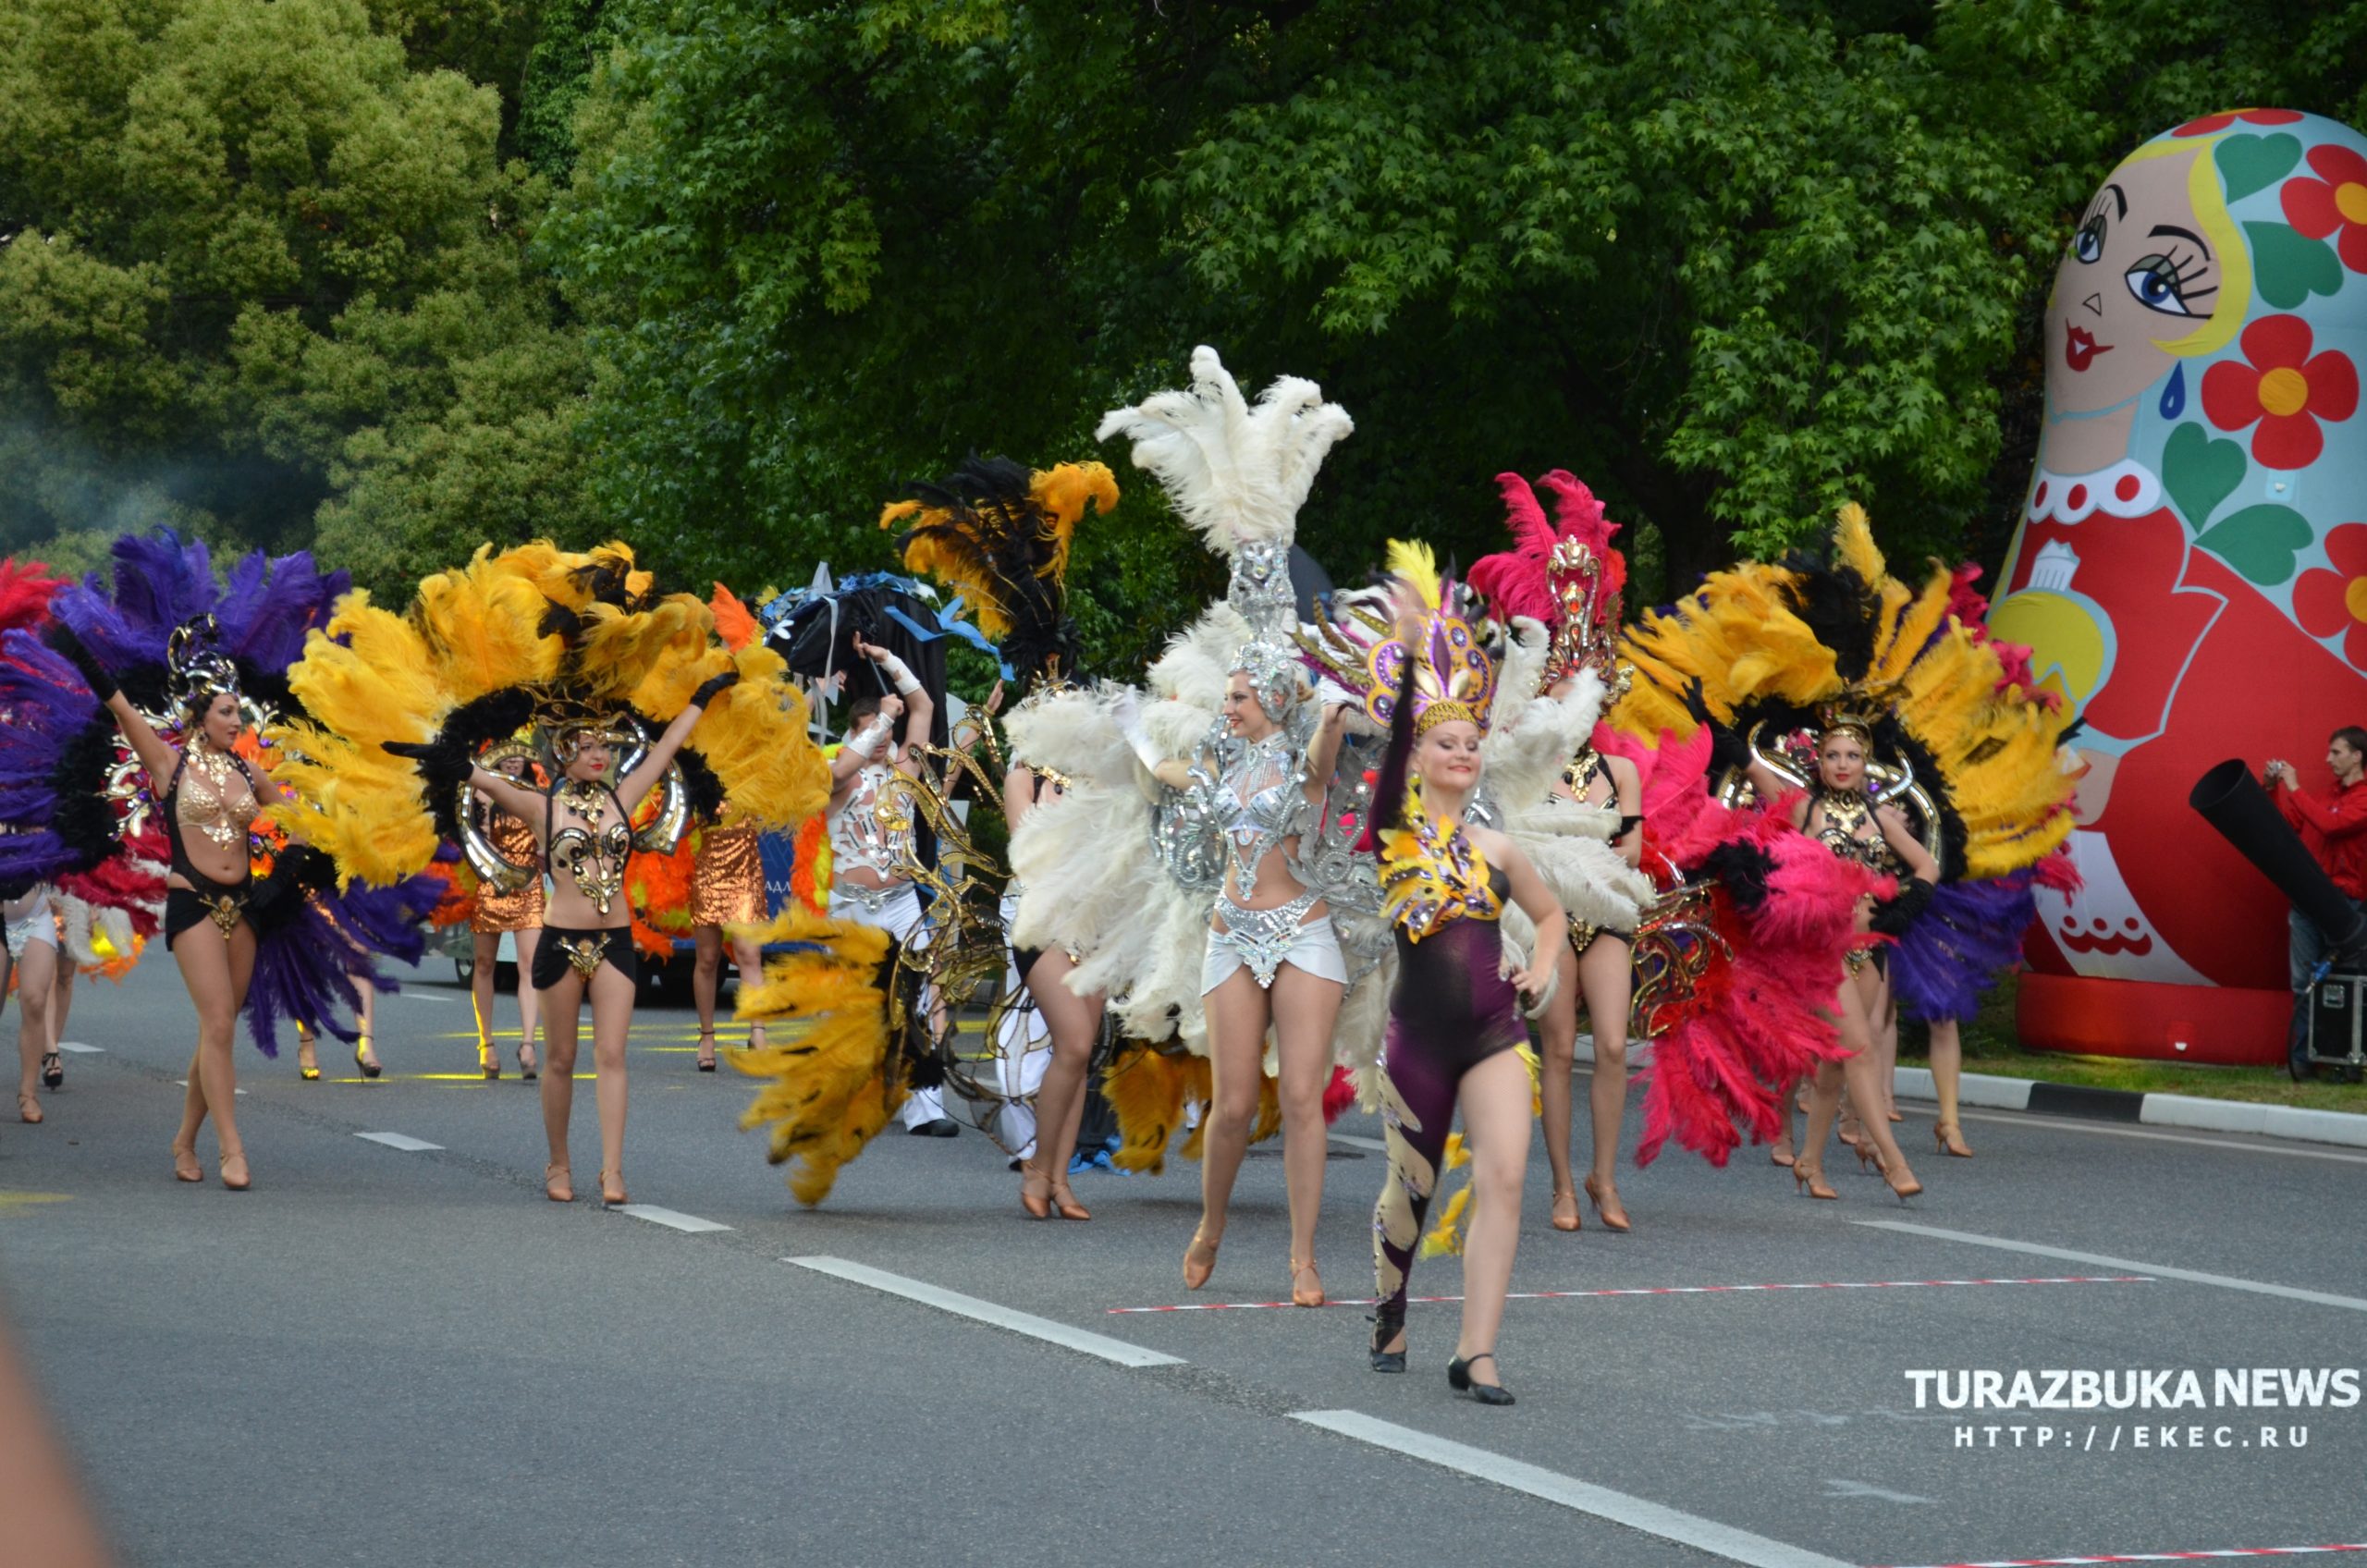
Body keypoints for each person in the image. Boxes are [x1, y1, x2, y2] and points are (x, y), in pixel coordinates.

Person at [1361, 559, 1565, 1406]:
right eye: (1447, 742)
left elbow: (1551, 919)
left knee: (1506, 1180)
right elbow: (1394, 756)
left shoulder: (1501, 852)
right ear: (1420, 756)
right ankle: (1389, 1305)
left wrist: (1542, 970)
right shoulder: (1391, 833)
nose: (1464, 752)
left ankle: (1476, 1353)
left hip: (1494, 1033)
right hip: (1417, 1039)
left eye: (1474, 743)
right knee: (1412, 1190)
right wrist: (1411, 662)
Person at [47, 621, 313, 1191]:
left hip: (245, 907)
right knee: (217, 1021)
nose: (237, 722)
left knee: (218, 1032)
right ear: (198, 715)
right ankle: (232, 1149)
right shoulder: (171, 766)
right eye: (225, 712)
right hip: (192, 900)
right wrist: (79, 653)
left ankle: (184, 1139)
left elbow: (302, 826)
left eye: (238, 712)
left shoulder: (248, 770)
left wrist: (280, 878)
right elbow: (120, 707)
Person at [459, 680, 736, 1207]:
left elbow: (667, 747)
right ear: (564, 753)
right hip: (560, 941)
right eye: (587, 747)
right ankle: (558, 1162)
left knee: (612, 1054)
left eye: (604, 747)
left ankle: (612, 1171)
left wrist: (699, 697)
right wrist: (443, 741)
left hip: (615, 941)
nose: (599, 755)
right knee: (561, 1058)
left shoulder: (621, 796)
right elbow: (474, 776)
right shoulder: (541, 807)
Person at [825, 633, 947, 1134]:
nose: (884, 738)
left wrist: (886, 659)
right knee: (854, 1005)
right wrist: (883, 720)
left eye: (886, 731)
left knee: (920, 996)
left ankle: (927, 1108)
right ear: (856, 732)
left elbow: (925, 704)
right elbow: (843, 769)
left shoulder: (904, 770)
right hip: (850, 908)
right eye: (871, 730)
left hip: (900, 901)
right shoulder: (835, 773)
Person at [2270, 726, 2367, 1074]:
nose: (2328, 759)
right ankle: (2302, 1062)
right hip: (2308, 901)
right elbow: (2287, 825)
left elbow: (2328, 825)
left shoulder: (2363, 798)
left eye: (2336, 753)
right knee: (2303, 983)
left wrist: (2294, 786)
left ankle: (2347, 1063)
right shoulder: (2326, 795)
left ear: (2357, 757)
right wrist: (2273, 790)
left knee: (2346, 985)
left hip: (2345, 906)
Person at [470, 748, 546, 1080]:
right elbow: (474, 838)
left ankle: (528, 1043)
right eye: (507, 752)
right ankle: (487, 1043)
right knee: (484, 964)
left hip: (528, 884)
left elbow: (547, 837)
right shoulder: (483, 792)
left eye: (520, 752)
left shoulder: (538, 791)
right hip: (492, 883)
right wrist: (481, 805)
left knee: (530, 964)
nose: (514, 758)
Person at [5, 886, 63, 1122]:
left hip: (35, 914)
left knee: (35, 1000)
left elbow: (69, 853)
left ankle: (28, 1093)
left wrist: (81, 905)